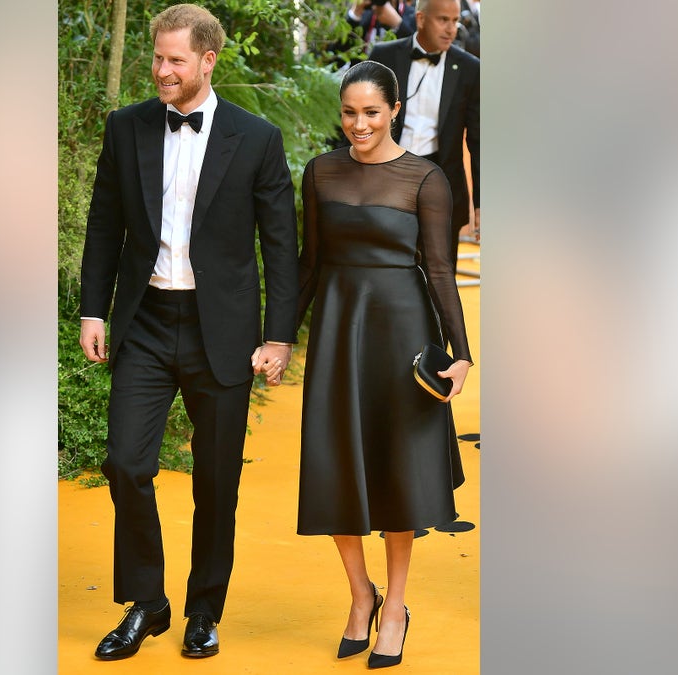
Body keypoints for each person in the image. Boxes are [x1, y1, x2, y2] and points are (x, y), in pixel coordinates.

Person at [78, 3, 298, 661]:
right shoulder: (127, 128)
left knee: (216, 482)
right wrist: (95, 309)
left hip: (222, 331)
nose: (162, 71)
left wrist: (278, 335)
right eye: (157, 58)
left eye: (175, 59)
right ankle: (147, 602)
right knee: (126, 461)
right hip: (145, 321)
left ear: (208, 59)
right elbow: (103, 225)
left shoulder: (256, 138)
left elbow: (280, 246)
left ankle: (204, 609)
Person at [295, 60, 474, 669]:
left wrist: (462, 352)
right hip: (338, 333)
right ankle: (359, 593)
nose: (359, 124)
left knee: (398, 470)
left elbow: (442, 270)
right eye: (349, 112)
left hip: (402, 335)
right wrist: (276, 337)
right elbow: (309, 263)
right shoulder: (320, 173)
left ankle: (394, 606)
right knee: (332, 462)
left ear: (394, 110)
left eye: (371, 112)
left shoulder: (426, 179)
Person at [368, 0, 480, 254]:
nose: (451, 29)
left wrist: (482, 203)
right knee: (386, 272)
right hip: (386, 180)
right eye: (443, 20)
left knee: (439, 279)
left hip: (441, 184)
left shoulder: (470, 69)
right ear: (420, 19)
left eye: (455, 21)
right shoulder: (383, 56)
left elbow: (479, 141)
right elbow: (360, 119)